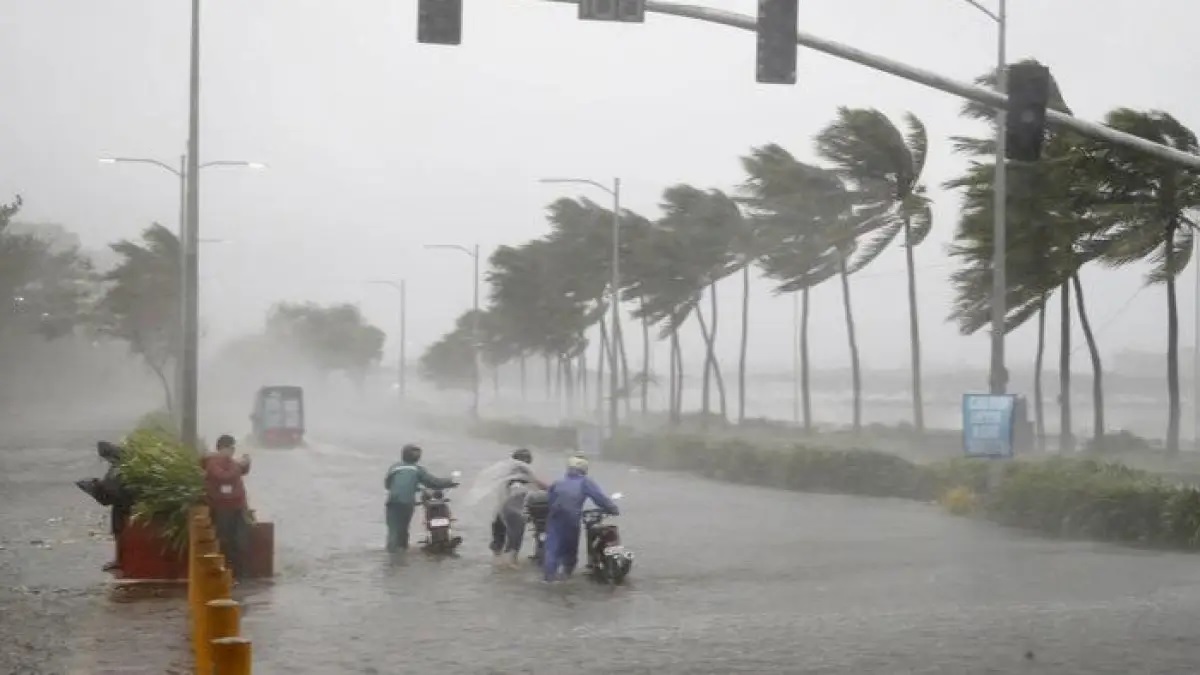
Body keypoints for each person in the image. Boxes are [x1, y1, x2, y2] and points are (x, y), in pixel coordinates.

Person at [542, 454, 619, 582]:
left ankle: (549, 578)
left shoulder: (558, 482)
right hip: (572, 519)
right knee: (570, 549)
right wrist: (613, 509)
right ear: (584, 469)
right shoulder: (585, 482)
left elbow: (550, 500)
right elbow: (599, 498)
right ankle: (566, 576)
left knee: (552, 548)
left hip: (555, 518)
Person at [383, 444, 459, 552]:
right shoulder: (417, 469)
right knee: (403, 529)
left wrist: (414, 487)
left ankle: (392, 555)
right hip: (407, 503)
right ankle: (401, 553)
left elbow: (387, 485)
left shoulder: (394, 468)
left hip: (392, 502)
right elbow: (433, 483)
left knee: (393, 530)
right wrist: (450, 482)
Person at [202, 434, 252, 582]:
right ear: (221, 448)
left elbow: (243, 470)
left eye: (232, 448)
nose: (231, 451)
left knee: (241, 540)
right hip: (222, 507)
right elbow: (224, 476)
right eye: (229, 448)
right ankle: (227, 571)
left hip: (238, 506)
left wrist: (246, 462)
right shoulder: (213, 463)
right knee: (225, 540)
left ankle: (240, 572)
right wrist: (239, 465)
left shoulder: (231, 462)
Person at [489, 448, 547, 568]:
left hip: (500, 511)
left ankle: (497, 564)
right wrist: (554, 488)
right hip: (513, 511)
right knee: (514, 540)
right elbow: (538, 484)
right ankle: (510, 564)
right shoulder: (523, 472)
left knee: (499, 542)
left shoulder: (506, 472)